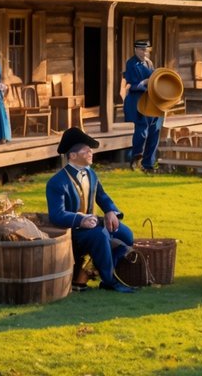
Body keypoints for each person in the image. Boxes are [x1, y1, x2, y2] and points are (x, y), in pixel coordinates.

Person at [45, 127, 136, 293]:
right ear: (73, 156)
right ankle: (110, 281)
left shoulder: (91, 174)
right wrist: (81, 220)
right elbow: (56, 215)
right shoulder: (56, 182)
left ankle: (90, 269)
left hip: (93, 224)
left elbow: (102, 196)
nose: (90, 153)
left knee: (126, 236)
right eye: (86, 151)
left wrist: (110, 211)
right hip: (73, 231)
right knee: (100, 236)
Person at [123, 39, 159, 171]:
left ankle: (148, 164)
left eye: (146, 50)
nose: (144, 52)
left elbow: (155, 79)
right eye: (142, 50)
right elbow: (131, 85)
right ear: (136, 50)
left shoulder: (149, 63)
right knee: (142, 131)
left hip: (152, 101)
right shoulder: (131, 63)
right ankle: (135, 157)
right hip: (138, 101)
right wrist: (144, 82)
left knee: (154, 131)